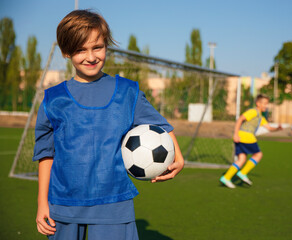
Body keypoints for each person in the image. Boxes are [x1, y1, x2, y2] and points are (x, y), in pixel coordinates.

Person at [33, 10, 184, 240]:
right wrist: (42, 203)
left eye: (98, 47)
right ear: (66, 52)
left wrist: (178, 156)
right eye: (80, 50)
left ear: (107, 46)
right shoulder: (54, 99)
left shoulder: (127, 92)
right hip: (63, 207)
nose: (91, 56)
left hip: (114, 206)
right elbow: (46, 155)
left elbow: (161, 125)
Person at [220, 94, 281, 188]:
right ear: (257, 103)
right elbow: (240, 119)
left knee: (242, 159)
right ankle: (243, 173)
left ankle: (226, 178)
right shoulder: (253, 112)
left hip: (241, 137)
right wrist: (236, 133)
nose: (266, 105)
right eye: (264, 103)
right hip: (246, 136)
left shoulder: (260, 117)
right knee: (258, 155)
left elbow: (268, 127)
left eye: (267, 104)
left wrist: (277, 129)